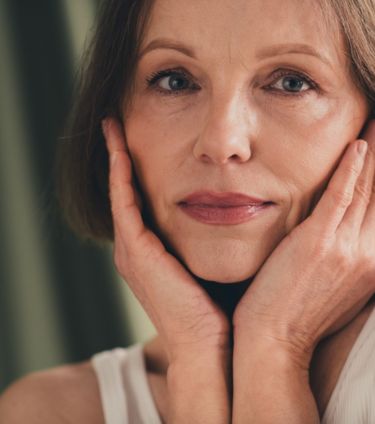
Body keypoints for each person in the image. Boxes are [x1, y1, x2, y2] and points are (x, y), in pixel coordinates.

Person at [1, 0, 375, 422]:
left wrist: (276, 343)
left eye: (291, 83)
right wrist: (198, 357)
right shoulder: (50, 412)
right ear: (115, 115)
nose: (220, 141)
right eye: (175, 81)